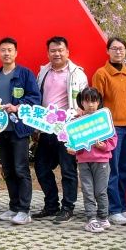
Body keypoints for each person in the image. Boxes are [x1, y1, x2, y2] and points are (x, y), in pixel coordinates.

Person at [32, 36, 87, 223]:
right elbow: (38, 98)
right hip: (46, 128)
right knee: (41, 167)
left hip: (67, 130)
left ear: (67, 52)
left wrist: (79, 116)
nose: (57, 53)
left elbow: (84, 101)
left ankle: (68, 208)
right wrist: (36, 128)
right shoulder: (43, 72)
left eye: (60, 50)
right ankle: (51, 205)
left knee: (68, 170)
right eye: (53, 50)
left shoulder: (77, 74)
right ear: (48, 53)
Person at [92, 36, 126, 225]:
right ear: (108, 51)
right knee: (111, 171)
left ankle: (122, 207)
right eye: (114, 48)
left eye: (121, 48)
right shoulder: (101, 74)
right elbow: (96, 104)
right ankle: (112, 210)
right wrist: (99, 129)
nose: (118, 51)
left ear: (125, 51)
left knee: (124, 169)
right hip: (111, 129)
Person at [0, 37, 41, 225]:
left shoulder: (25, 74)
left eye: (10, 50)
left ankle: (24, 210)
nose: (6, 53)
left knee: (21, 169)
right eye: (3, 50)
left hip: (19, 130)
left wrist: (17, 107)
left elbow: (35, 98)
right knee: (8, 169)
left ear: (16, 53)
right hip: (1, 130)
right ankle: (13, 207)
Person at [68, 87, 117, 234]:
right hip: (83, 162)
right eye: (87, 101)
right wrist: (73, 149)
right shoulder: (76, 121)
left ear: (99, 102)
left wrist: (103, 146)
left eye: (94, 101)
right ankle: (91, 219)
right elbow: (73, 142)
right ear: (81, 102)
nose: (90, 104)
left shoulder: (104, 119)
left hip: (102, 161)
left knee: (101, 191)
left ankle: (103, 217)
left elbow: (113, 140)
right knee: (88, 191)